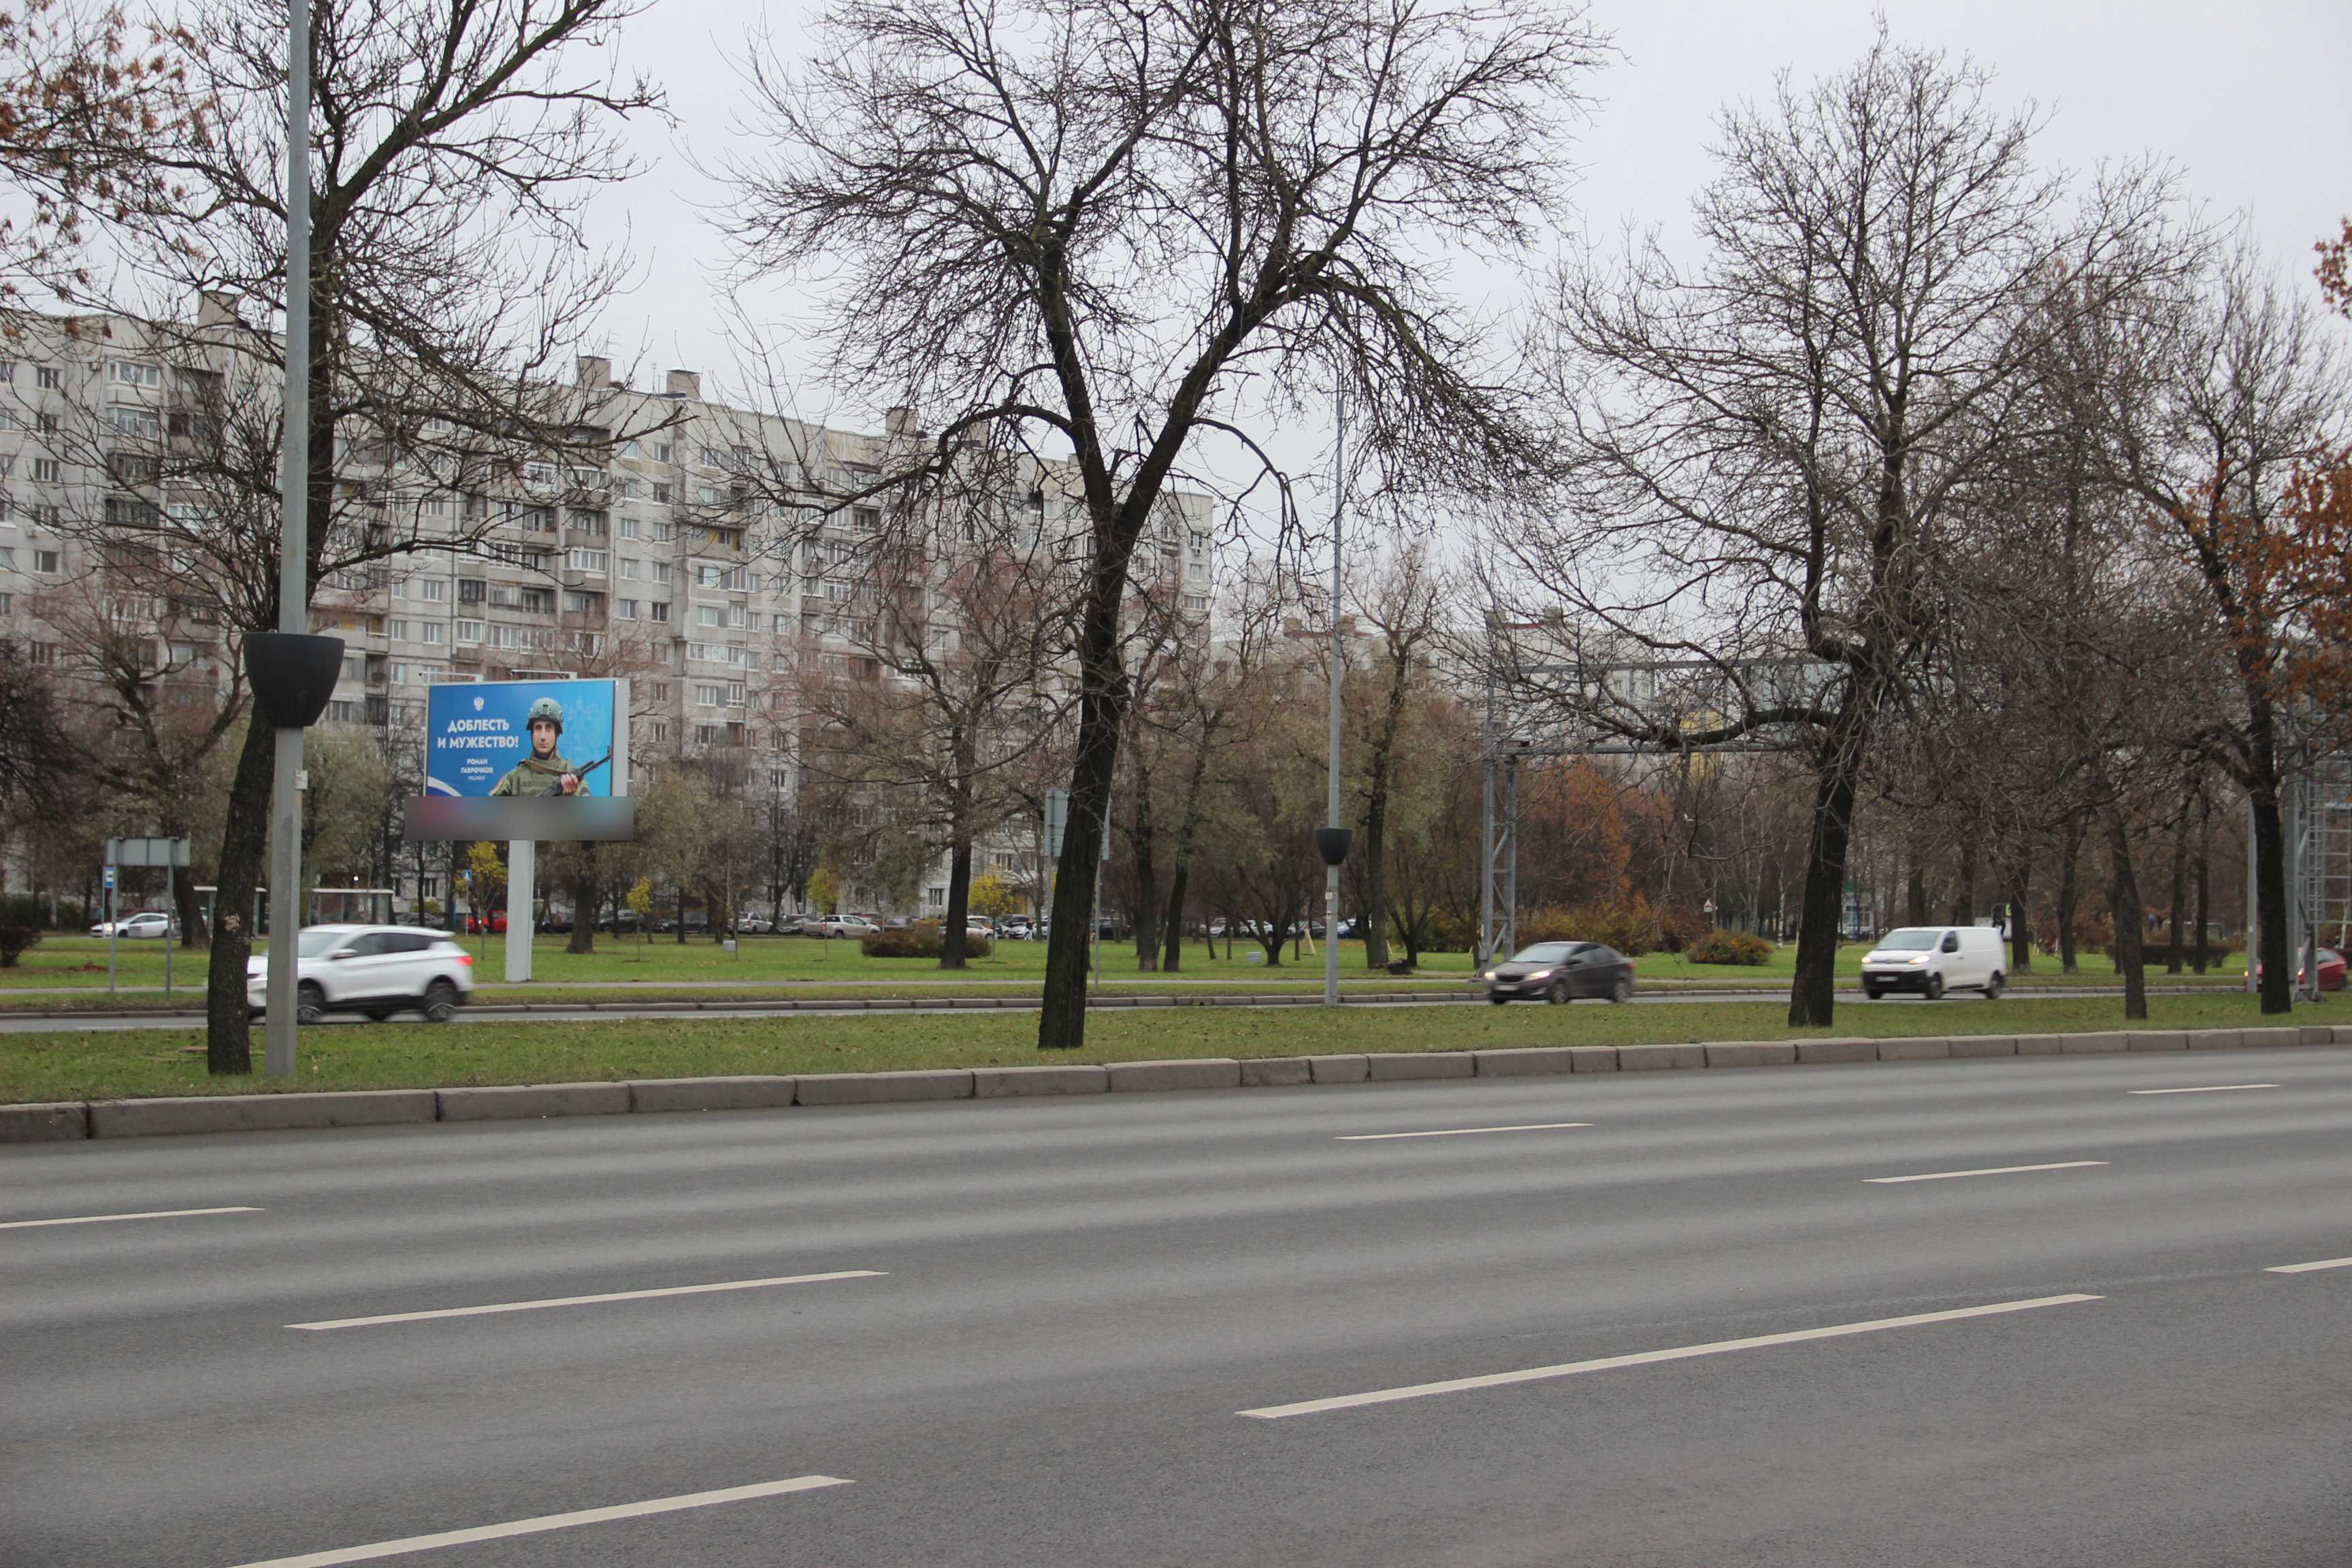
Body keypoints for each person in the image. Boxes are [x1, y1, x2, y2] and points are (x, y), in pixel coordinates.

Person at [489, 696, 581, 797]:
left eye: (549, 728)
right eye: (538, 728)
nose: (543, 736)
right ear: (532, 733)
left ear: (557, 733)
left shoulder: (572, 777)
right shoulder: (514, 778)